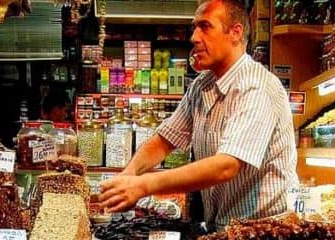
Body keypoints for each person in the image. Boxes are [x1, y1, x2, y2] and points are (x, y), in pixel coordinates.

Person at [98, 0, 297, 228]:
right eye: (195, 27)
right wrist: (129, 174)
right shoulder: (202, 84)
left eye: (205, 26)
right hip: (223, 228)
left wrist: (144, 184)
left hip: (264, 236)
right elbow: (165, 139)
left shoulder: (256, 86)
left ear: (235, 32)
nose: (194, 37)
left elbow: (226, 165)